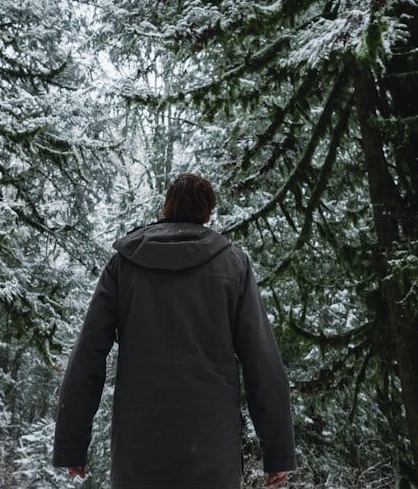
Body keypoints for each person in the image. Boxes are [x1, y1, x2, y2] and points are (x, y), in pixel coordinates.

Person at [52, 173, 297, 488]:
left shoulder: (123, 266)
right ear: (208, 215)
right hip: (212, 452)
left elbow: (88, 354)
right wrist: (278, 453)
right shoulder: (233, 266)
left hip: (139, 451)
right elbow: (261, 361)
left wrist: (72, 446)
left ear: (166, 209)